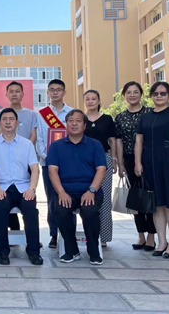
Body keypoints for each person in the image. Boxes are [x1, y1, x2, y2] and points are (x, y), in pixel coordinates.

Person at [135, 82, 169, 259]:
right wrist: (137, 163)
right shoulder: (145, 117)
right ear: (151, 96)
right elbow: (139, 141)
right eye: (155, 93)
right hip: (149, 162)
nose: (159, 96)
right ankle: (161, 242)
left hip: (168, 162)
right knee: (157, 206)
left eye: (163, 93)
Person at [0, 108, 43, 266]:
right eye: (5, 119)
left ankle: (34, 251)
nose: (8, 122)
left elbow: (35, 168)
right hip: (2, 187)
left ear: (17, 123)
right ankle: (3, 251)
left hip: (24, 187)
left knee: (31, 210)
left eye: (11, 119)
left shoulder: (27, 144)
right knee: (0, 208)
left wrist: (32, 189)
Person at [47, 109, 106, 265]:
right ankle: (71, 250)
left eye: (78, 121)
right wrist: (61, 192)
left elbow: (101, 169)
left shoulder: (95, 145)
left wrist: (91, 191)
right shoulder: (56, 146)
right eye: (71, 121)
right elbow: (52, 170)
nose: (74, 124)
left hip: (90, 190)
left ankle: (93, 251)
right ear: (66, 124)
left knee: (89, 211)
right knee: (61, 209)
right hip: (66, 191)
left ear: (84, 125)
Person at [115, 81, 155, 251]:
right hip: (129, 159)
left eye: (136, 92)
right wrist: (121, 163)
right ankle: (141, 236)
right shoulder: (120, 117)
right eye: (129, 92)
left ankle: (151, 237)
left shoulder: (150, 113)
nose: (132, 95)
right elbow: (119, 141)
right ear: (124, 96)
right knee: (136, 199)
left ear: (141, 94)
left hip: (149, 159)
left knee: (150, 197)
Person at [0, 81, 38, 231]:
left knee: (27, 197)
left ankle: (30, 235)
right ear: (6, 94)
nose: (14, 94)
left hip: (26, 159)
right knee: (5, 195)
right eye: (11, 91)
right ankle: (14, 229)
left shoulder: (31, 114)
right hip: (5, 159)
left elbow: (33, 135)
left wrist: (24, 152)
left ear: (22, 94)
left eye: (17, 91)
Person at [36, 79, 74, 249]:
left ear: (64, 92)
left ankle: (69, 233)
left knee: (69, 197)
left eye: (58, 89)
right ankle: (53, 234)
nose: (55, 92)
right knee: (52, 200)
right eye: (52, 90)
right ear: (48, 93)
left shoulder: (72, 113)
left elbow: (75, 136)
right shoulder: (41, 114)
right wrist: (48, 157)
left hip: (69, 164)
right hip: (48, 164)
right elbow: (39, 139)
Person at [83, 89, 116, 247]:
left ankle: (104, 237)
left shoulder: (107, 119)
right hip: (83, 161)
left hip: (104, 159)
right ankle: (88, 235)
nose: (90, 102)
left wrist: (115, 160)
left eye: (93, 99)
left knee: (104, 199)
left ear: (99, 101)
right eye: (87, 99)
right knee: (86, 198)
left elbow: (113, 141)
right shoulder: (80, 119)